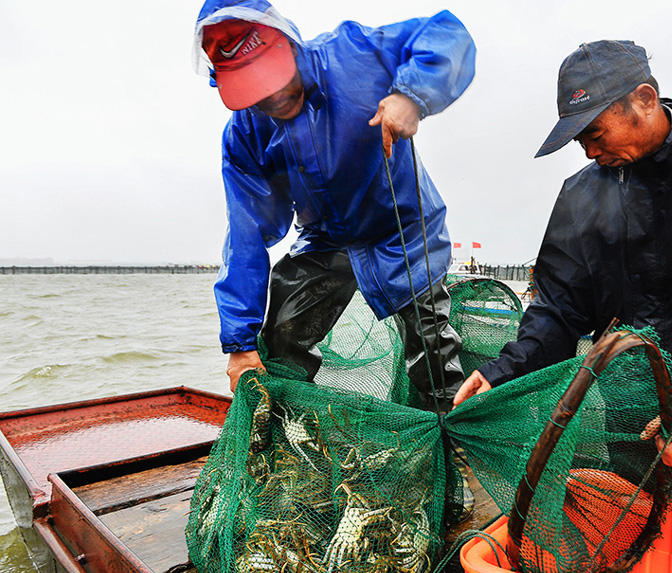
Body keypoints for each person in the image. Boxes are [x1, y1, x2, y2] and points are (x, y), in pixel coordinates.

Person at [454, 41, 672, 508]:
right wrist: (504, 372)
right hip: (635, 427)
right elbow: (558, 307)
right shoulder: (581, 194)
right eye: (580, 140)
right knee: (642, 553)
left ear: (643, 99)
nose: (587, 152)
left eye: (596, 133)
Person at [193, 0, 476, 413]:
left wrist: (412, 95)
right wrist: (238, 342)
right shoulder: (245, 136)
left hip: (403, 231)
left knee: (432, 355)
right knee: (281, 341)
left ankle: (455, 449)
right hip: (323, 240)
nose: (273, 98)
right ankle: (287, 448)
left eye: (275, 79)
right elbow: (246, 233)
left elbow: (447, 33)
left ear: (289, 46)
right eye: (256, 91)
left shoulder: (353, 53)